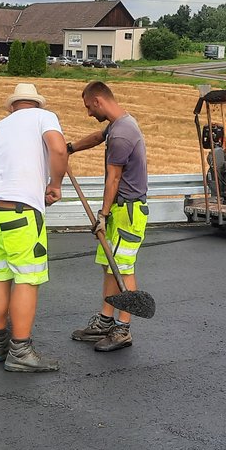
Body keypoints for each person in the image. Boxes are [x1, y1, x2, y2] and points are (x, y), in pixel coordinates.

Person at [0, 82, 68, 372]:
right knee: (27, 279)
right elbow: (58, 148)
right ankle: (20, 351)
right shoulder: (45, 117)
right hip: (22, 211)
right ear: (37, 104)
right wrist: (54, 184)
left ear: (13, 106)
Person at [66, 81, 149, 352]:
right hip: (118, 210)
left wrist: (102, 214)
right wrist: (71, 148)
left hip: (128, 211)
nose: (89, 112)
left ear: (99, 101)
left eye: (90, 107)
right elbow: (97, 137)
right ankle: (105, 321)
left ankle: (122, 329)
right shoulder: (117, 125)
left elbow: (113, 178)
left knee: (123, 268)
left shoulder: (122, 134)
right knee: (108, 266)